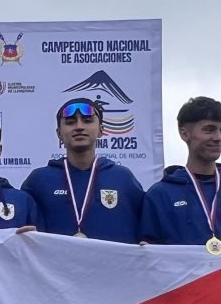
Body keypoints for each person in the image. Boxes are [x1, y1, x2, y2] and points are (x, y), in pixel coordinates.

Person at [140, 97, 221, 250]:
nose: (218, 138)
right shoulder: (160, 194)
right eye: (209, 130)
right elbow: (148, 252)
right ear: (184, 134)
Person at [20, 98, 145, 241]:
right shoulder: (38, 181)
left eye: (87, 120)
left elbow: (146, 233)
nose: (79, 126)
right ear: (59, 133)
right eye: (70, 122)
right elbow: (21, 228)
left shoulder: (123, 179)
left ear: (101, 130)